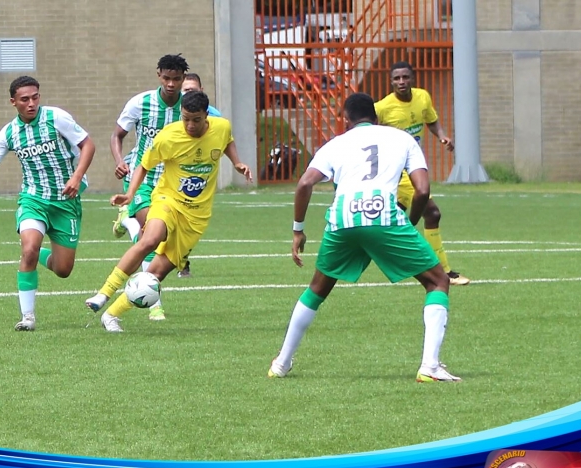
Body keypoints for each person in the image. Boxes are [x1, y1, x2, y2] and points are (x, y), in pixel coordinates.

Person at [268, 92, 461, 383]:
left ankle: (281, 363)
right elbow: (422, 190)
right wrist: (408, 223)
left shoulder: (335, 144)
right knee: (437, 281)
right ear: (377, 116)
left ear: (346, 120)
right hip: (383, 214)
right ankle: (430, 366)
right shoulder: (403, 139)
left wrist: (298, 230)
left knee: (317, 289)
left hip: (343, 217)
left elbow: (305, 183)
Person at [86, 91, 252, 332]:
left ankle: (111, 315)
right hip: (168, 200)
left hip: (196, 217)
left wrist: (237, 162)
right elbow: (143, 164)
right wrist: (130, 195)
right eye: (185, 119)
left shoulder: (221, 126)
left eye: (196, 119)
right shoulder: (169, 137)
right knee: (150, 239)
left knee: (156, 274)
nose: (190, 125)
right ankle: (104, 293)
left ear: (207, 115)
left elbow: (226, 141)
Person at [0, 76, 95, 331]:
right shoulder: (9, 133)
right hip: (33, 198)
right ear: (13, 102)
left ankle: (35, 255)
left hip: (65, 201)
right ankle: (28, 317)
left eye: (35, 97)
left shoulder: (56, 118)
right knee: (29, 248)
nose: (32, 103)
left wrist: (77, 177)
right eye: (25, 99)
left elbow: (88, 144)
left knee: (63, 269)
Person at [375, 61, 470, 286]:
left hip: (414, 166)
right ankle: (444, 271)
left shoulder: (423, 98)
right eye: (397, 78)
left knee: (388, 218)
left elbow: (432, 120)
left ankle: (390, 249)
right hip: (398, 171)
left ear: (412, 79)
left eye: (405, 77)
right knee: (432, 213)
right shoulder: (383, 107)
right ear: (391, 82)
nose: (401, 82)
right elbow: (370, 134)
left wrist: (442, 136)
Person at [109, 54, 190, 320]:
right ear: (159, 75)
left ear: (182, 80)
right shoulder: (139, 103)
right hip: (141, 179)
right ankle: (154, 304)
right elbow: (117, 135)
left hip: (173, 186)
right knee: (153, 239)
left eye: (176, 79)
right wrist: (120, 161)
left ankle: (126, 222)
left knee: (160, 239)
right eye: (166, 78)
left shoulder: (189, 108)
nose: (171, 84)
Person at [175, 72, 221, 277]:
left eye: (193, 90)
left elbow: (223, 141)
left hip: (198, 178)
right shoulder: (173, 116)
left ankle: (182, 259)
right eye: (185, 90)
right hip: (172, 174)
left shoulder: (216, 118)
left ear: (201, 91)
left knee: (189, 223)